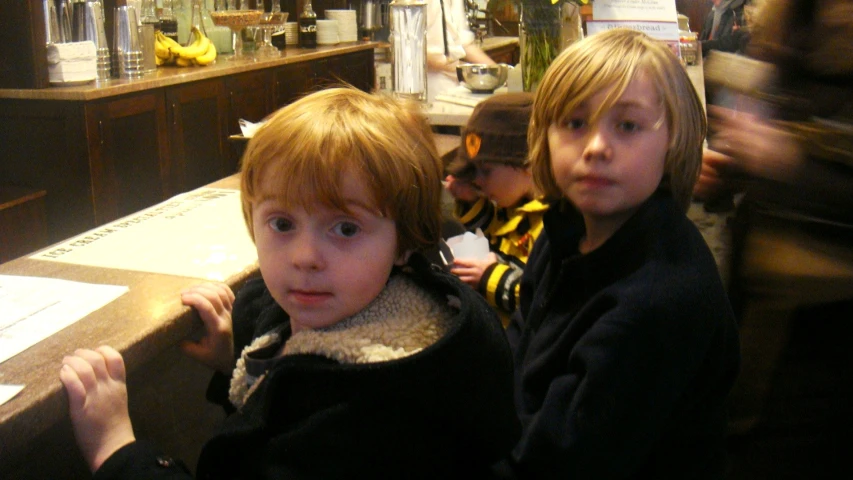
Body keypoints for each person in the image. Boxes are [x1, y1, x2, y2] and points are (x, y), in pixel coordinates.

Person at [59, 87, 520, 479]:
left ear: (405, 241)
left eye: (345, 229)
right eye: (282, 223)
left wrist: (117, 450)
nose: (304, 257)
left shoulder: (370, 413)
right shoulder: (381, 308)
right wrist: (237, 364)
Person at [493, 29, 740, 479]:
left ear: (674, 141)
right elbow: (519, 351)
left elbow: (561, 463)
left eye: (627, 125)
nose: (595, 148)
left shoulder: (658, 302)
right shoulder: (564, 233)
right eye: (574, 122)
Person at [695, 0, 853, 454]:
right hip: (763, 312)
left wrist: (788, 163)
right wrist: (732, 169)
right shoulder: (798, 29)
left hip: (828, 344)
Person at [443, 92, 548, 326]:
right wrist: (471, 203)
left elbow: (542, 301)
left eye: (486, 170)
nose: (477, 181)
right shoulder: (513, 203)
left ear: (528, 162)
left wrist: (489, 276)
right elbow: (497, 237)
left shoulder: (550, 224)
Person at [426, 0, 496, 103]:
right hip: (431, 85)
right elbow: (418, 54)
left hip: (455, 84)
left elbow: (465, 43)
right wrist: (467, 71)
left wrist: (496, 71)